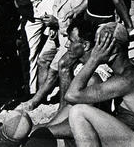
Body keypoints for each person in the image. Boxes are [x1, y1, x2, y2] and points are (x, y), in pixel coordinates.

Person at [66, 22, 134, 147]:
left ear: (113, 49)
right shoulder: (129, 68)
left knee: (78, 112)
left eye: (98, 44)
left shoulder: (127, 79)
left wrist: (94, 59)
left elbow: (72, 95)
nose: (94, 49)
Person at [24, 18, 112, 146]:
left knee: (36, 138)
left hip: (92, 136)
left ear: (86, 45)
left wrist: (43, 130)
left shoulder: (94, 78)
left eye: (71, 41)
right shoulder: (81, 66)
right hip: (77, 128)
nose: (66, 45)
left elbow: (82, 124)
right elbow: (69, 107)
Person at [22, 0, 87, 110]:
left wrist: (56, 23)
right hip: (57, 35)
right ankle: (43, 99)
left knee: (54, 69)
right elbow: (58, 10)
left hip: (69, 40)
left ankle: (35, 102)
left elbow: (76, 30)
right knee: (42, 60)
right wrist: (53, 26)